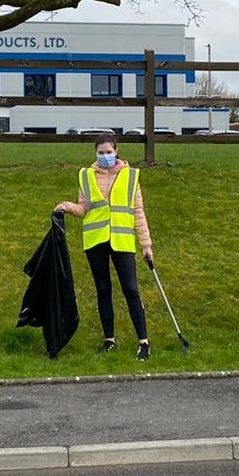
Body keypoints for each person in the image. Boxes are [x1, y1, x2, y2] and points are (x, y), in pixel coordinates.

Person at [54, 134, 155, 360]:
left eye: (109, 152)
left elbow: (138, 212)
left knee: (130, 290)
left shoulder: (130, 176)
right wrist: (67, 207)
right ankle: (109, 339)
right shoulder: (86, 176)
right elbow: (84, 209)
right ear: (95, 153)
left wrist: (146, 244)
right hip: (96, 240)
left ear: (116, 151)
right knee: (103, 290)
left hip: (122, 240)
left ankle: (143, 341)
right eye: (101, 152)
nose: (105, 156)